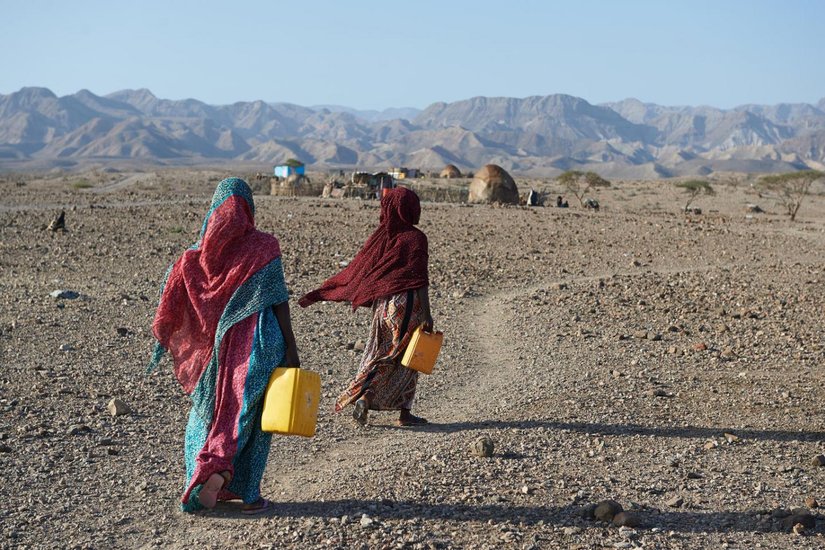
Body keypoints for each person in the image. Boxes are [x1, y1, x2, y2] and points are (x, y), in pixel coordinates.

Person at [148, 177, 299, 514]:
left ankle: (203, 475)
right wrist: (291, 349)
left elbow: (169, 303)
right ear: (249, 208)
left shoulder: (192, 258)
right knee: (249, 416)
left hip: (211, 355)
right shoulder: (264, 246)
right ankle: (245, 492)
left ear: (214, 209)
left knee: (210, 413)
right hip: (260, 345)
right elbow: (279, 301)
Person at [299, 187, 432, 427]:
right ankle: (392, 408)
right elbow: (419, 279)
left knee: (381, 352)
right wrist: (427, 314)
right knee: (406, 357)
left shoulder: (383, 236)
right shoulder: (415, 238)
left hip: (382, 307)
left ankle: (367, 397)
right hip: (407, 305)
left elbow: (365, 269)